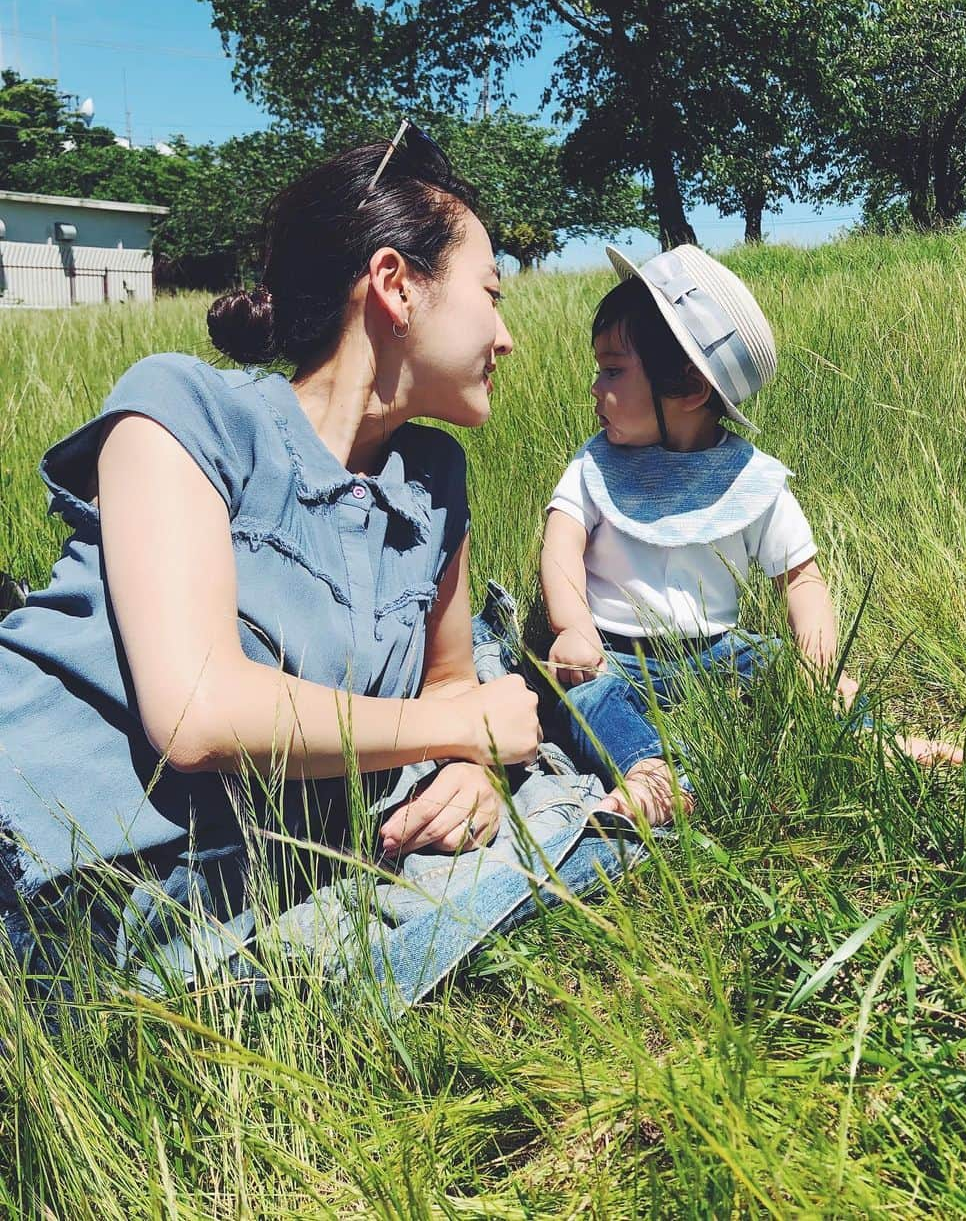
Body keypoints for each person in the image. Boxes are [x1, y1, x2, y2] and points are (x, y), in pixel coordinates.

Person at [0, 127, 553, 995]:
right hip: (28, 857)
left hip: (193, 927)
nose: (508, 336)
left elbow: (452, 680)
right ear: (394, 285)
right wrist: (462, 730)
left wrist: (469, 770)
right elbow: (199, 711)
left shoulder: (436, 481)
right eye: (491, 291)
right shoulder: (183, 409)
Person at [540, 245, 964, 827]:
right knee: (582, 692)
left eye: (612, 370)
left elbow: (802, 575)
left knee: (788, 668)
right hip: (613, 648)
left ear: (688, 389)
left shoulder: (748, 482)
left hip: (716, 651)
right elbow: (560, 542)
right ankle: (650, 773)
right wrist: (572, 627)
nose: (595, 386)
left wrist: (818, 661)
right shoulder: (595, 466)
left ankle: (876, 744)